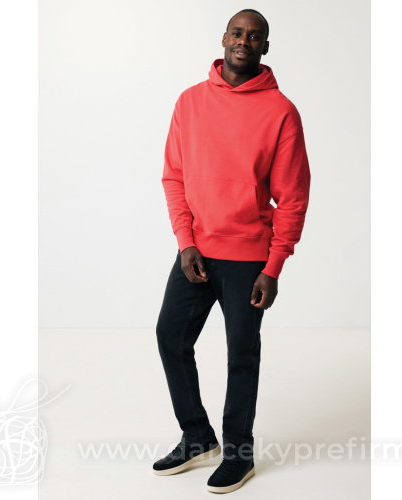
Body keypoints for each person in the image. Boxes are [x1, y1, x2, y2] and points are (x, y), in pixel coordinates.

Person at [153, 8, 311, 494]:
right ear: (224, 39)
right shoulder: (189, 102)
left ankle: (239, 455)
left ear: (265, 47)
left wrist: (274, 266)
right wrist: (186, 243)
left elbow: (293, 197)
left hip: (248, 259)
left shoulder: (281, 112)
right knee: (170, 336)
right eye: (238, 33)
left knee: (241, 354)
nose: (245, 41)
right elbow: (174, 177)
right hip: (197, 251)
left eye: (255, 36)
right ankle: (197, 436)